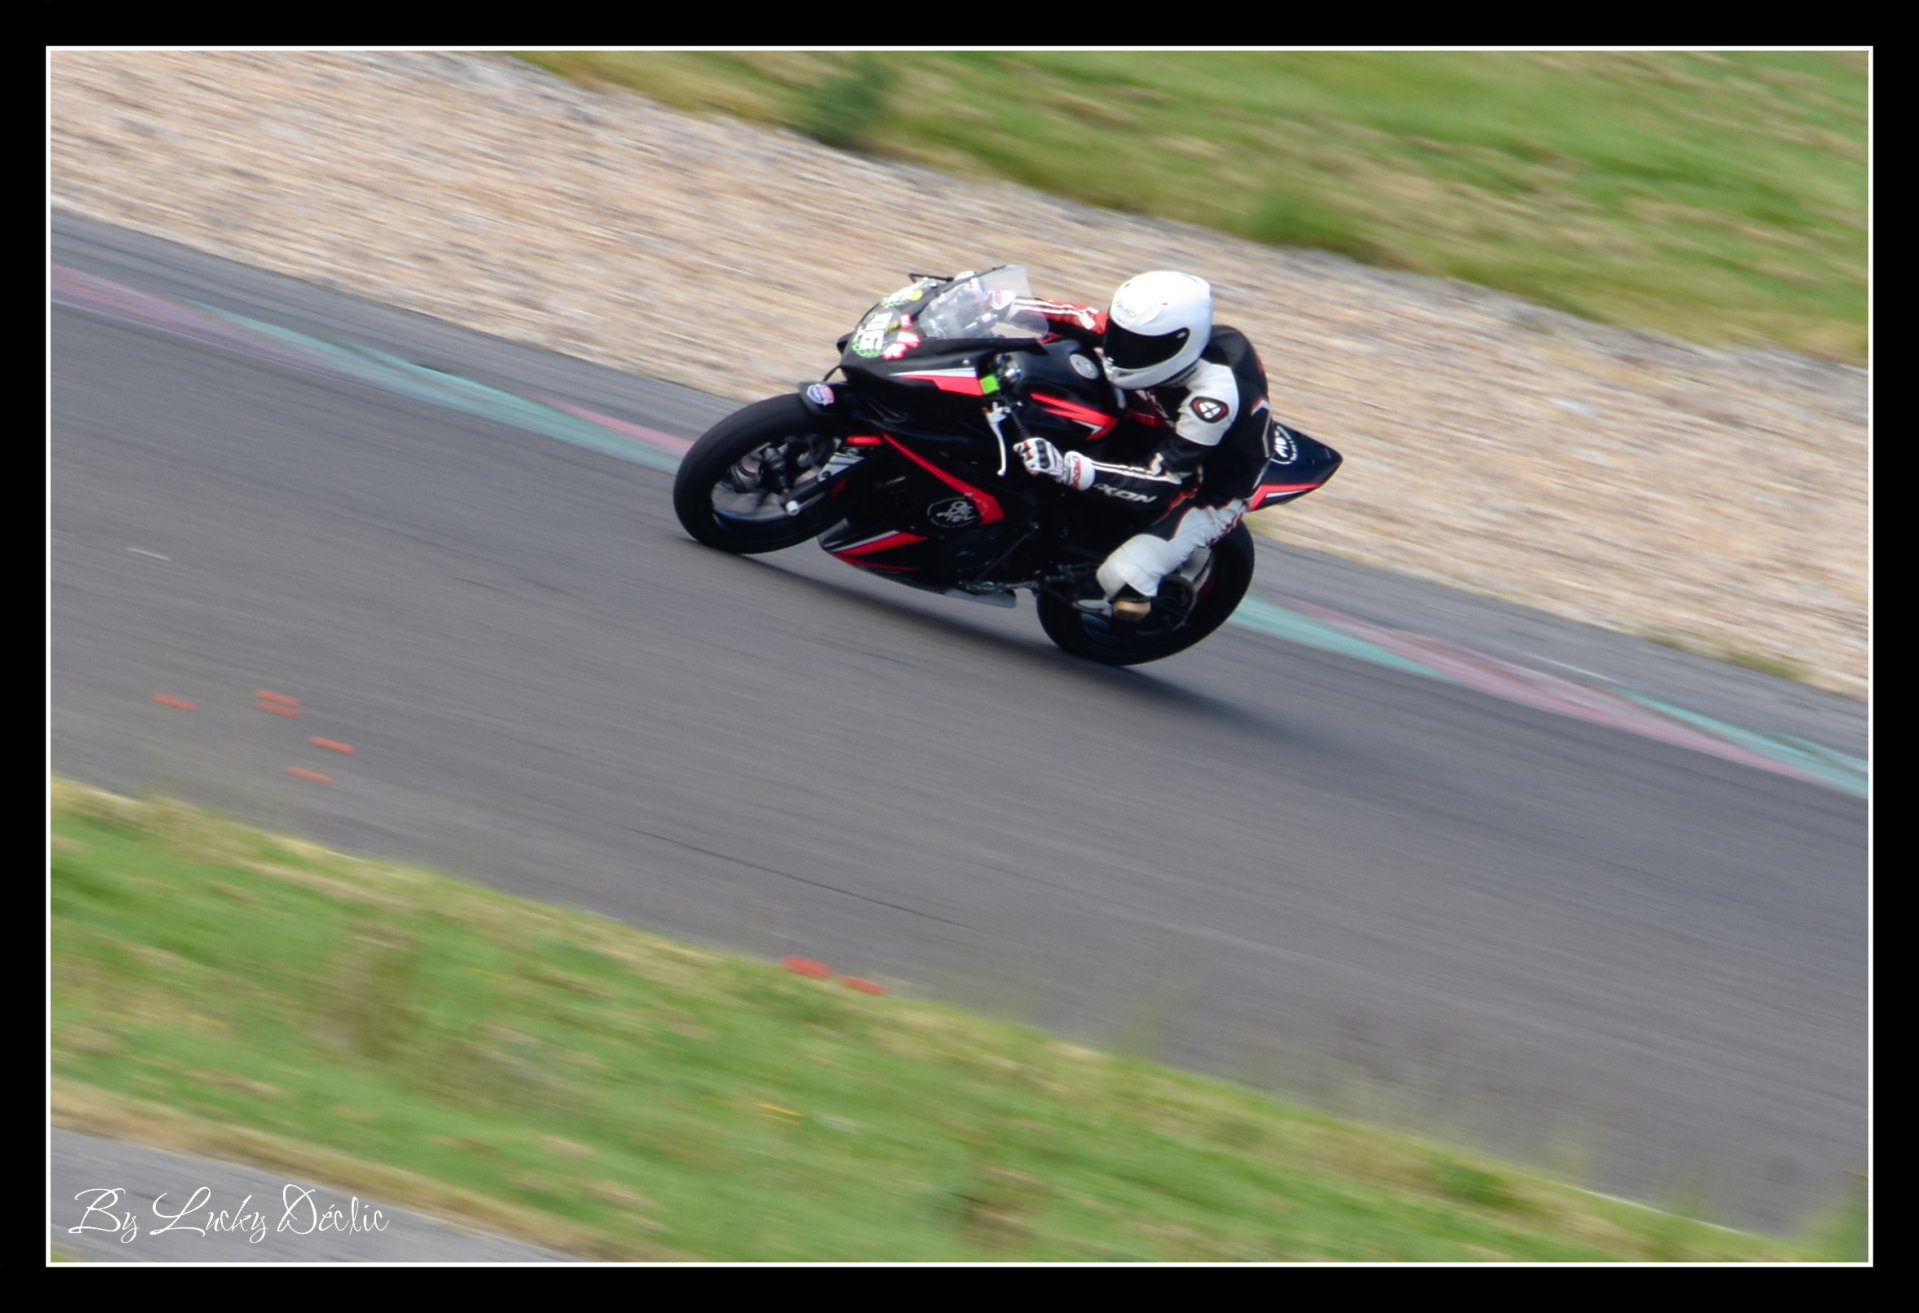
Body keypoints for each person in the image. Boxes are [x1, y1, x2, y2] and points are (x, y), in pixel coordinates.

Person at [1012, 271, 1273, 620]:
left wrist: (1067, 467)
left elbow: (1160, 482)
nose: (1121, 350)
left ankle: (1143, 597)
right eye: (1121, 337)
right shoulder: (1149, 337)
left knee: (1123, 581)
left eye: (1139, 346)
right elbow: (1078, 317)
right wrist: (997, 302)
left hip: (1204, 484)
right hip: (1157, 422)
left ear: (1180, 343)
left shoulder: (1212, 401)